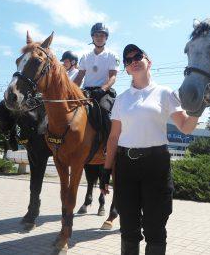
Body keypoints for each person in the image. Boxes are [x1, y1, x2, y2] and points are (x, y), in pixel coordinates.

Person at [100, 44, 199, 255]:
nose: (133, 61)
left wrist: (199, 109)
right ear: (126, 69)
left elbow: (186, 127)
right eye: (128, 60)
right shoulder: (121, 99)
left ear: (149, 62)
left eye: (137, 56)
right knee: (128, 228)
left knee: (155, 227)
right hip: (126, 167)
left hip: (156, 166)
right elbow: (114, 136)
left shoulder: (164, 93)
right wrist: (106, 170)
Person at [74, 22, 119, 143]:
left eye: (102, 35)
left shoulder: (112, 55)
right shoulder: (85, 56)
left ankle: (108, 144)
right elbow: (79, 77)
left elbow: (113, 77)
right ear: (92, 37)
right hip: (87, 91)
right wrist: (70, 90)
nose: (99, 38)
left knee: (105, 111)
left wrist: (103, 89)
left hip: (104, 91)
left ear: (106, 38)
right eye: (97, 35)